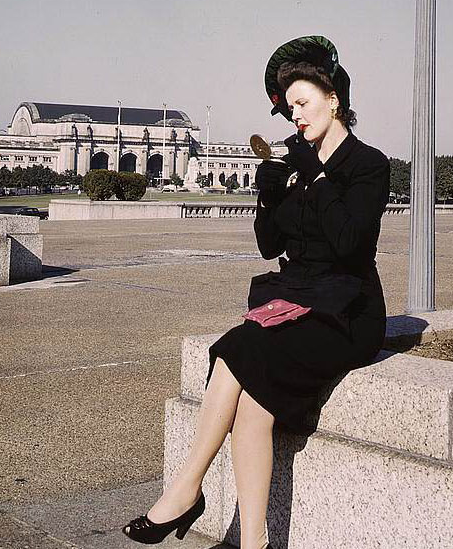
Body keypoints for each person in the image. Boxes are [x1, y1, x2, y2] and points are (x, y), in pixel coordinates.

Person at [121, 35, 391, 549]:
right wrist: (268, 196)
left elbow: (350, 243)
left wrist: (314, 173)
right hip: (295, 297)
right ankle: (254, 543)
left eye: (303, 104)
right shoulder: (293, 160)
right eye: (290, 109)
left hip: (347, 310)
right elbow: (271, 246)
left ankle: (185, 487)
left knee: (237, 346)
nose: (296, 117)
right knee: (253, 406)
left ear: (334, 100)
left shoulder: (367, 165)